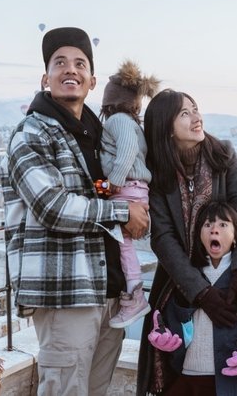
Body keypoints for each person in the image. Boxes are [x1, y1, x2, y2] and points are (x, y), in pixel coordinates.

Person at [1, 26, 150, 396]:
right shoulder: (31, 134)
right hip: (64, 292)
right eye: (60, 63)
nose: (71, 70)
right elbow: (52, 207)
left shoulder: (99, 136)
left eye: (80, 63)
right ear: (45, 77)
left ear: (92, 80)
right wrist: (121, 213)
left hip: (109, 291)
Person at [136, 89, 237, 396]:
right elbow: (162, 238)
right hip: (179, 286)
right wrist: (200, 292)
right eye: (185, 113)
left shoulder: (224, 155)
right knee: (182, 367)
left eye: (196, 109)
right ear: (166, 126)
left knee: (230, 365)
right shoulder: (157, 172)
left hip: (228, 275)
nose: (196, 117)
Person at [147, 200, 237, 395]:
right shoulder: (187, 273)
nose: (214, 230)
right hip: (189, 374)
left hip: (234, 376)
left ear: (236, 235)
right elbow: (172, 315)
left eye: (223, 224)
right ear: (199, 234)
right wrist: (164, 334)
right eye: (208, 224)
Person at [99, 59, 160, 329]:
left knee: (122, 246)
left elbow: (125, 155)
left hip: (127, 190)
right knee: (122, 245)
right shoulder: (129, 122)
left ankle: (135, 296)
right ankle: (133, 293)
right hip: (134, 190)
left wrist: (112, 183)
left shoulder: (119, 121)